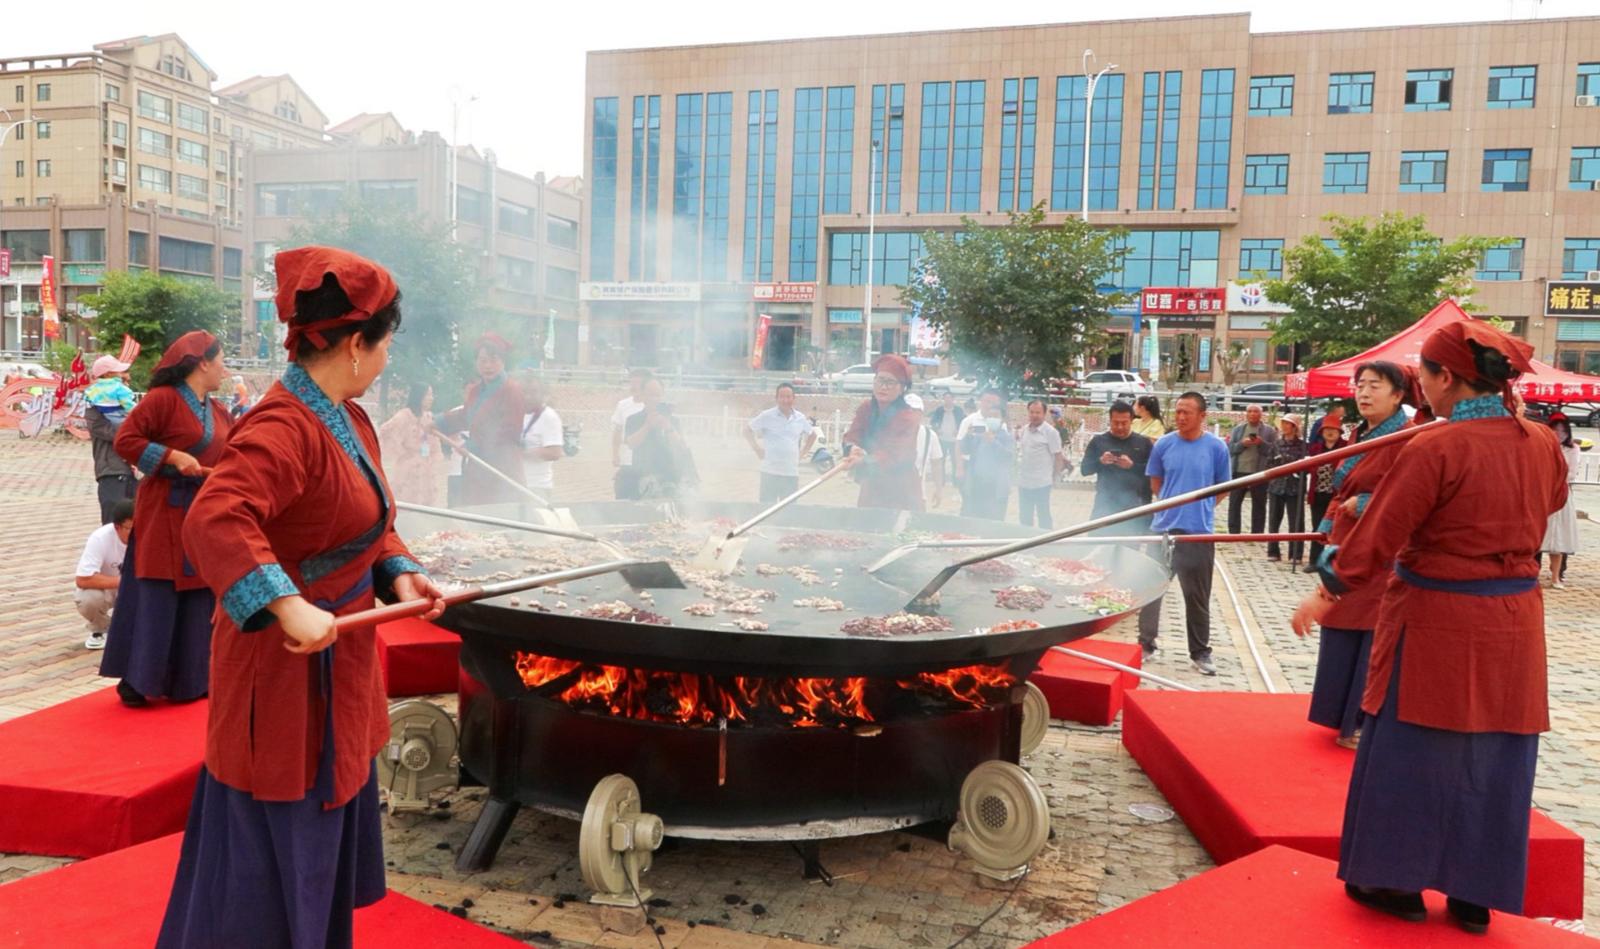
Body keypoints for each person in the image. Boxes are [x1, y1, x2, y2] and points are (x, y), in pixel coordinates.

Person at [157, 246, 446, 949]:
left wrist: (400, 570)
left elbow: (368, 522)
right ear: (355, 345)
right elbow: (216, 516)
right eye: (385, 345)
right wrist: (288, 604)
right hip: (284, 669)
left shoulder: (350, 418)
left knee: (319, 859)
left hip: (340, 659)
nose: (386, 360)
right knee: (272, 865)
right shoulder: (284, 425)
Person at [1291, 321, 1564, 935]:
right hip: (1514, 621)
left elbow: (1378, 534)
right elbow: (1550, 502)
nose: (1423, 389)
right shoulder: (1540, 440)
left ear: (1445, 378)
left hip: (1436, 616)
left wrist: (1326, 591)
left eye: (1425, 377)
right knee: (1495, 755)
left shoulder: (1435, 446)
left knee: (1411, 751)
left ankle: (1395, 881)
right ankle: (1475, 892)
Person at [100, 330, 232, 708]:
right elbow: (126, 440)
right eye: (221, 360)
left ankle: (191, 679)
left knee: (199, 593)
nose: (225, 368)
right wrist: (171, 456)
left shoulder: (218, 411)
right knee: (158, 591)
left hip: (201, 510)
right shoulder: (162, 400)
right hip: (164, 509)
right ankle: (138, 680)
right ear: (202, 363)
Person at [1306, 361, 1417, 750]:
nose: (1364, 393)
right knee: (1340, 622)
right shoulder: (1361, 434)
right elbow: (1342, 487)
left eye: (1375, 386)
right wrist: (1329, 524)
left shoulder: (1408, 437)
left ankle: (1358, 720)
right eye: (1361, 385)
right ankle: (1338, 714)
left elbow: (1408, 495)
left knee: (1369, 631)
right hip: (1345, 537)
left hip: (1378, 548)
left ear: (1398, 395)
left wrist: (1366, 502)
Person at [1143, 392, 1231, 675]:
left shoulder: (1217, 447)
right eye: (1178, 412)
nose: (1180, 417)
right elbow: (1156, 483)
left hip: (1198, 534)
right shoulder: (1164, 444)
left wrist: (1201, 509)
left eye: (1187, 412)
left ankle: (1200, 652)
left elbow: (1223, 487)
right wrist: (1172, 506)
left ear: (1202, 416)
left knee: (1197, 596)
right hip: (1163, 530)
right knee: (1150, 590)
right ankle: (1145, 644)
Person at [436, 333, 526, 506]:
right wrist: (439, 422)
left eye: (493, 360)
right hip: (477, 472)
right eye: (483, 360)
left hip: (502, 470)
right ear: (476, 362)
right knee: (476, 513)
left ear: (503, 361)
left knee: (499, 515)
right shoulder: (476, 391)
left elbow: (510, 431)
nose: (488, 366)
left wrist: (474, 445)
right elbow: (466, 416)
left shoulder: (511, 390)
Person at [841, 354, 922, 511]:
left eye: (890, 382)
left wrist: (864, 460)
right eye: (879, 380)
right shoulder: (866, 409)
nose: (883, 387)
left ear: (902, 388)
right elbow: (852, 435)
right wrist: (852, 448)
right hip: (872, 485)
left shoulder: (908, 417)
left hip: (901, 487)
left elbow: (895, 455)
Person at [1079, 400, 1154, 531]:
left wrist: (1132, 466)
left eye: (1124, 423)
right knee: (1100, 541)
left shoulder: (1143, 443)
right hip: (1105, 504)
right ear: (1110, 421)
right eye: (1116, 423)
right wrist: (1100, 462)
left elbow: (1153, 473)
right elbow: (1084, 470)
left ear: (1131, 421)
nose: (1120, 427)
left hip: (1134, 505)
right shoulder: (1098, 441)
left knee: (1132, 543)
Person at [619, 378, 697, 500]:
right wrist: (647, 426)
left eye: (658, 395)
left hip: (671, 474)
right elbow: (631, 444)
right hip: (642, 474)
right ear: (642, 396)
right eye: (650, 395)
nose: (654, 399)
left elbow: (681, 447)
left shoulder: (673, 420)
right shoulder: (634, 419)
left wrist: (668, 427)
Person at [84, 354, 139, 523]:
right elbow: (103, 429)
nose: (124, 378)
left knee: (138, 523)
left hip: (134, 473)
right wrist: (133, 428)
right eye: (120, 373)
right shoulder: (93, 406)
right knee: (113, 524)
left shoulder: (124, 402)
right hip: (111, 472)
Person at [745, 382, 818, 503]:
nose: (785, 400)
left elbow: (812, 435)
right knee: (767, 509)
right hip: (769, 473)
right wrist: (757, 449)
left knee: (789, 509)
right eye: (782, 397)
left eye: (788, 397)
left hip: (791, 473)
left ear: (793, 398)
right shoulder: (767, 416)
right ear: (776, 398)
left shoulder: (800, 418)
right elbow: (747, 430)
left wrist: (802, 453)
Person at [75, 499, 133, 650]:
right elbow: (83, 579)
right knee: (88, 599)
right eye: (131, 529)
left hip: (138, 588)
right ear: (117, 527)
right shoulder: (100, 538)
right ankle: (101, 629)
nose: (137, 533)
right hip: (109, 588)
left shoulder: (149, 535)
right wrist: (124, 581)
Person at [377, 382, 445, 506]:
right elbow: (386, 431)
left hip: (426, 468)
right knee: (408, 502)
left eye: (431, 395)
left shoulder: (429, 417)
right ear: (419, 396)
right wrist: (403, 453)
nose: (431, 398)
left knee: (425, 504)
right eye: (428, 395)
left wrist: (433, 458)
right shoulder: (404, 416)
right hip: (408, 468)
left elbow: (434, 443)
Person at [956, 389, 1015, 521]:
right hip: (977, 485)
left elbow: (1008, 457)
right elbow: (965, 449)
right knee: (972, 520)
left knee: (993, 522)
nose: (992, 419)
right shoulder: (980, 435)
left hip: (995, 489)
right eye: (990, 416)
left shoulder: (1006, 437)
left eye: (996, 416)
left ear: (1002, 420)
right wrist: (968, 436)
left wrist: (993, 442)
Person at [1540, 412, 1579, 589]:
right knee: (1540, 533)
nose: (1559, 433)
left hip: (1561, 493)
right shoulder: (1542, 446)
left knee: (1559, 536)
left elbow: (1571, 473)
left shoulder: (1572, 449)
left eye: (1563, 430)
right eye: (1555, 429)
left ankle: (1556, 575)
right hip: (1543, 493)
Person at [1226, 404, 1277, 535]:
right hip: (1239, 471)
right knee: (1234, 503)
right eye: (1250, 411)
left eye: (1255, 411)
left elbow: (1274, 451)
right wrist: (1241, 444)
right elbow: (1230, 449)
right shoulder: (1238, 430)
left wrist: (1261, 443)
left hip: (1259, 472)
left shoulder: (1269, 431)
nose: (1252, 414)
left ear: (1261, 414)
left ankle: (1257, 532)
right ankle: (1233, 532)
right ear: (1246, 414)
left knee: (1259, 504)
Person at [1265, 414, 1309, 564]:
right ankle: (1273, 551)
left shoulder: (1303, 446)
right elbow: (1269, 464)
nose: (1284, 427)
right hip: (1277, 486)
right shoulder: (1276, 444)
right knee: (1273, 520)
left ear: (1294, 427)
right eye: (1283, 423)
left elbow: (1307, 466)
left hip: (1295, 487)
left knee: (1296, 521)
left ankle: (1295, 554)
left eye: (1287, 424)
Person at [1305, 416, 1347, 573]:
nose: (1330, 433)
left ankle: (1335, 563)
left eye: (1333, 430)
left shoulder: (1346, 446)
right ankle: (1314, 561)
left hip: (1337, 495)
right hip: (1318, 493)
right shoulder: (1316, 448)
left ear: (1339, 432)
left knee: (1338, 528)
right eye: (1327, 430)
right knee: (1317, 528)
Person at [1016, 400, 1064, 529]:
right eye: (1031, 412)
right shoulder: (1024, 430)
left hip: (1042, 482)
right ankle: (1026, 539)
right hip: (1024, 481)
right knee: (1024, 516)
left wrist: (1056, 477)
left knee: (1043, 515)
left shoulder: (1051, 432)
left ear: (1044, 414)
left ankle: (1047, 540)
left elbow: (1058, 456)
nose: (1034, 415)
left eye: (1038, 412)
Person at [519, 377, 564, 496]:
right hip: (513, 483)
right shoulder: (514, 412)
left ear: (543, 394)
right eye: (524, 392)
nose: (528, 396)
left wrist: (522, 453)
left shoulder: (549, 417)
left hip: (536, 487)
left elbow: (555, 453)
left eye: (533, 392)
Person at [610, 367, 651, 497]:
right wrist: (615, 454)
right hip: (627, 461)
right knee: (623, 496)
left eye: (637, 383)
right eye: (631, 382)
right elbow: (617, 431)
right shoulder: (623, 405)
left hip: (648, 463)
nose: (633, 386)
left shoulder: (652, 406)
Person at [905, 393, 946, 509]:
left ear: (921, 414)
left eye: (915, 410)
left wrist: (938, 489)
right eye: (907, 410)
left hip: (917, 493)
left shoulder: (929, 436)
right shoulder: (890, 433)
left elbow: (936, 464)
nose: (910, 413)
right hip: (891, 494)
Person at [927, 390, 966, 481]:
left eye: (949, 398)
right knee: (941, 460)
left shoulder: (959, 411)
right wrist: (937, 429)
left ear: (953, 399)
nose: (948, 400)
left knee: (955, 461)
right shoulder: (939, 410)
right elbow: (933, 422)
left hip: (954, 440)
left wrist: (958, 430)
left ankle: (955, 481)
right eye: (946, 398)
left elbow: (964, 422)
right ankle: (941, 481)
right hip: (942, 439)